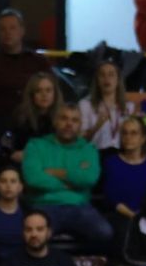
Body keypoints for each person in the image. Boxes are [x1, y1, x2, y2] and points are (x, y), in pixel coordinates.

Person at [23, 104, 112, 249]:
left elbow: (89, 178)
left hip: (80, 207)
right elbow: (33, 178)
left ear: (80, 125)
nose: (69, 124)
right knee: (35, 236)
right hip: (45, 205)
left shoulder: (88, 149)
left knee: (105, 232)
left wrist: (55, 173)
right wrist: (71, 183)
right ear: (55, 121)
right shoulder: (36, 145)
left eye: (74, 120)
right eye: (64, 118)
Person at [0, 8, 53, 137]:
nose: (7, 32)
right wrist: (31, 81)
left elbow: (50, 85)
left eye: (12, 28)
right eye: (2, 29)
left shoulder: (38, 60)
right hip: (3, 116)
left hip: (35, 114)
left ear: (22, 31)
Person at [102, 117, 146, 226]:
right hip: (121, 217)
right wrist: (135, 217)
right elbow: (112, 198)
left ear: (143, 138)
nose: (128, 137)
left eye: (134, 133)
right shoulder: (112, 163)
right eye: (125, 133)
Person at [1, 71, 60, 164]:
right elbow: (7, 144)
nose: (44, 95)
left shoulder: (63, 116)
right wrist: (14, 154)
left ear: (55, 93)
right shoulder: (21, 115)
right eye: (38, 91)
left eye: (48, 90)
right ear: (32, 95)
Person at [79, 61, 135, 151]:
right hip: (95, 153)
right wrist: (97, 126)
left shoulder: (129, 107)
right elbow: (80, 140)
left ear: (118, 80)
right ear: (97, 80)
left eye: (111, 75)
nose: (106, 79)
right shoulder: (85, 105)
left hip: (121, 154)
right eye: (102, 75)